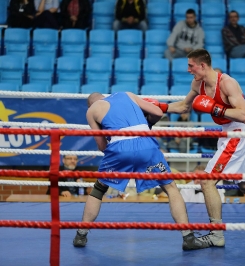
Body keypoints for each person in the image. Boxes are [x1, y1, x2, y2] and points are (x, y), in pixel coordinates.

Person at [144, 48, 245, 248]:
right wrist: (156, 106)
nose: (188, 70)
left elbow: (244, 115)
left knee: (207, 182)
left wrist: (216, 108)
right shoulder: (197, 83)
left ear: (203, 65)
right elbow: (183, 106)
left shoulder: (227, 83)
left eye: (191, 66)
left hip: (237, 134)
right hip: (227, 133)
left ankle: (216, 234)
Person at [72, 91, 208, 251]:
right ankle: (188, 237)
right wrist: (146, 125)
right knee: (171, 188)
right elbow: (157, 112)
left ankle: (81, 235)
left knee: (98, 190)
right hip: (146, 143)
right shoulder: (126, 94)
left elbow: (102, 146)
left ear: (90, 104)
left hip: (119, 148)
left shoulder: (92, 111)